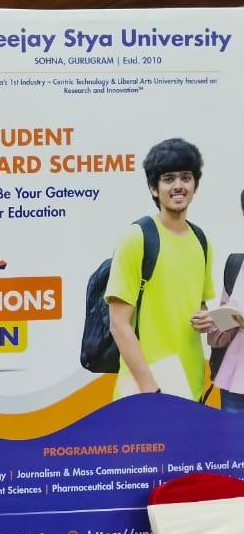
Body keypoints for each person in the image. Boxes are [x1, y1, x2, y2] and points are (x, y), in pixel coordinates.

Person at [106, 138, 216, 400]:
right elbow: (118, 324)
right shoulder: (137, 238)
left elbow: (197, 303)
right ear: (154, 188)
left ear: (195, 185)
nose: (178, 186)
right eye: (168, 179)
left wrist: (206, 317)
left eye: (186, 178)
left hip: (191, 383)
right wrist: (150, 389)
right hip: (145, 389)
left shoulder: (201, 241)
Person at [206, 188, 244, 413]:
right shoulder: (236, 265)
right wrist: (212, 321)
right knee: (232, 436)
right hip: (235, 382)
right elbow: (220, 334)